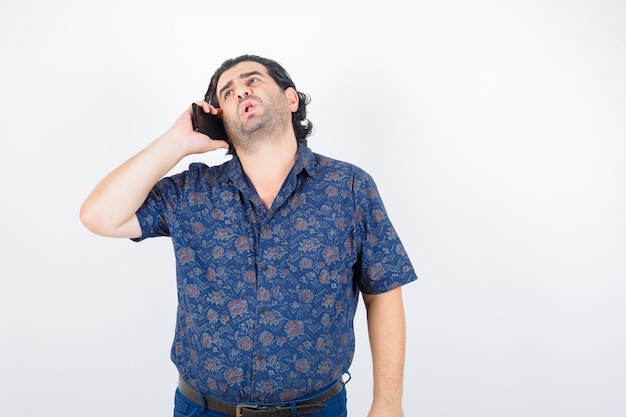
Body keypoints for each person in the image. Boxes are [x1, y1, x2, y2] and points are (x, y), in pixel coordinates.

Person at [80, 54, 417, 417]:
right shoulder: (191, 192)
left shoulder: (349, 187)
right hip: (204, 410)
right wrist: (176, 140)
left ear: (290, 99)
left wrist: (387, 403)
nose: (240, 89)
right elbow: (100, 217)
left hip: (316, 409)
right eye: (226, 93)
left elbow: (382, 292)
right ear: (219, 120)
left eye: (252, 80)